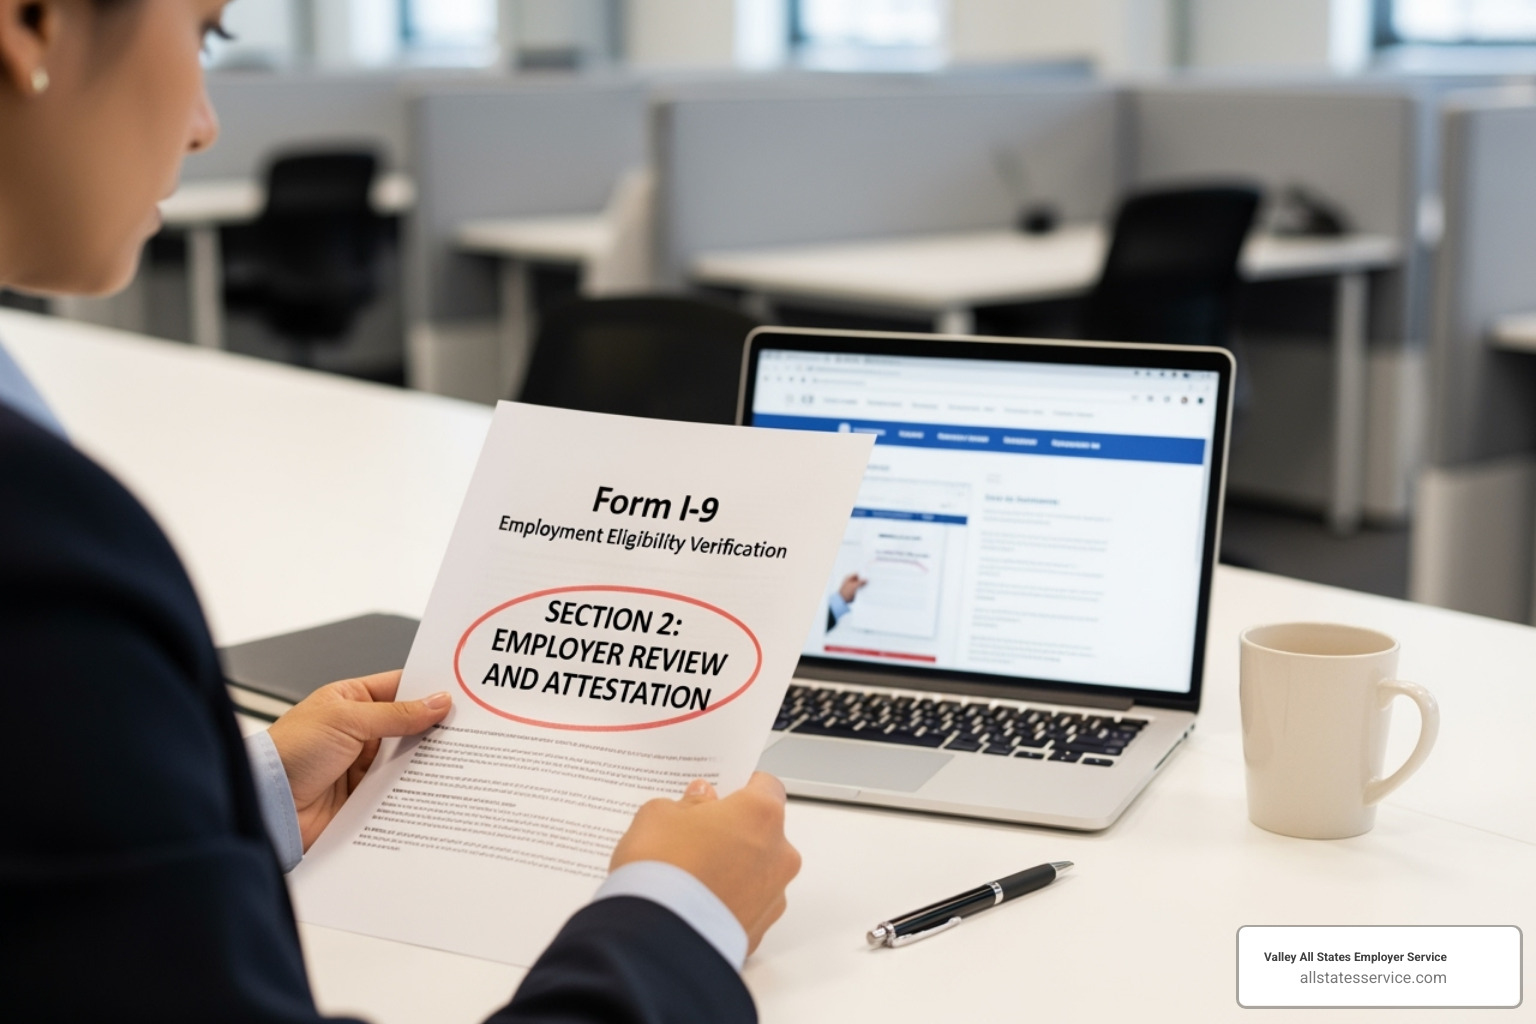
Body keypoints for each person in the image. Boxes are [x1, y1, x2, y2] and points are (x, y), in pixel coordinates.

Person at [0, 2, 800, 1021]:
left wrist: (242, 793)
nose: (204, 122)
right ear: (31, 23)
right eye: (204, 33)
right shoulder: (37, 547)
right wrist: (679, 915)